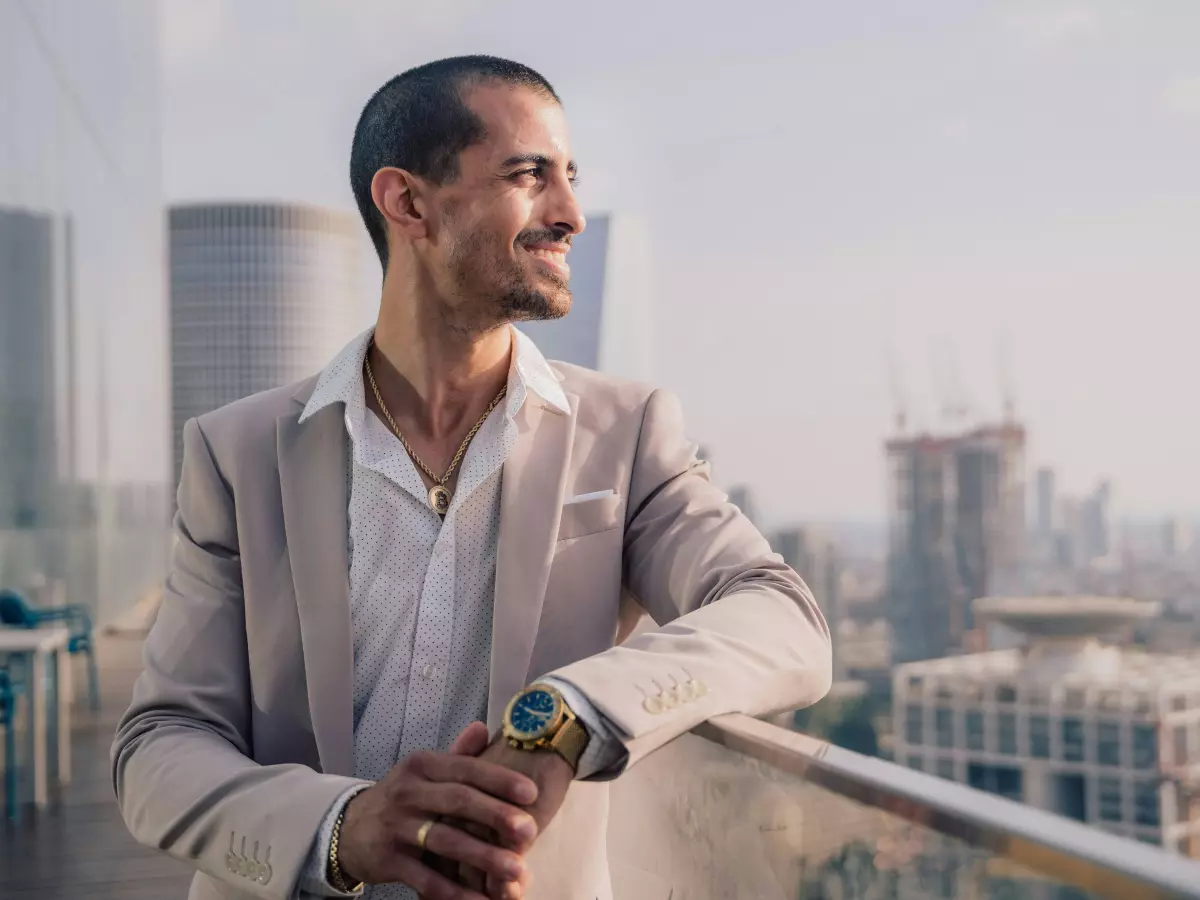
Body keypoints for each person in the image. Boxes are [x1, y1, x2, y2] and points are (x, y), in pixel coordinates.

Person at [112, 55, 831, 900]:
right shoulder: (235, 452)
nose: (570, 214)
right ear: (408, 202)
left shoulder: (627, 434)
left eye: (570, 177)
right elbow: (159, 743)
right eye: (530, 175)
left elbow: (782, 618)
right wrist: (341, 827)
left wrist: (568, 716)